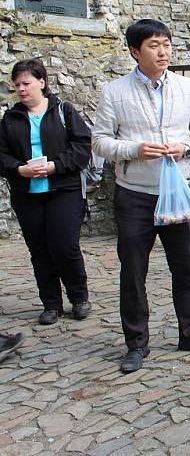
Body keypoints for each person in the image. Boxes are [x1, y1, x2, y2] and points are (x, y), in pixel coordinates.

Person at [92, 19, 190, 373]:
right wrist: (134, 149)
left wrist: (185, 146)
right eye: (154, 45)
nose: (163, 51)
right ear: (135, 51)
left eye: (166, 43)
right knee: (133, 272)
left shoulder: (186, 87)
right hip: (135, 194)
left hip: (178, 192)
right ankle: (136, 344)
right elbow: (100, 141)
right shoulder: (115, 92)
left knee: (186, 267)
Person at [0, 58, 92, 325]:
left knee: (64, 244)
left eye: (26, 83)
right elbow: (2, 155)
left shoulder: (64, 111)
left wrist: (55, 166)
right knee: (39, 249)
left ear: (42, 82)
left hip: (63, 189)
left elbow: (82, 148)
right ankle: (51, 303)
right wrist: (19, 169)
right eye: (17, 84)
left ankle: (79, 297)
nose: (21, 89)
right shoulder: (11, 118)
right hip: (27, 192)